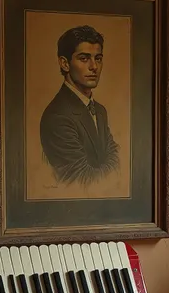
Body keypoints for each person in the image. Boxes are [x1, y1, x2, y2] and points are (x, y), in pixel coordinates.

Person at [40, 25, 120, 186]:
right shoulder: (57, 116)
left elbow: (116, 156)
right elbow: (80, 179)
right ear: (64, 63)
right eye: (84, 58)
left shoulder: (100, 110)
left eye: (98, 58)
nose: (94, 67)